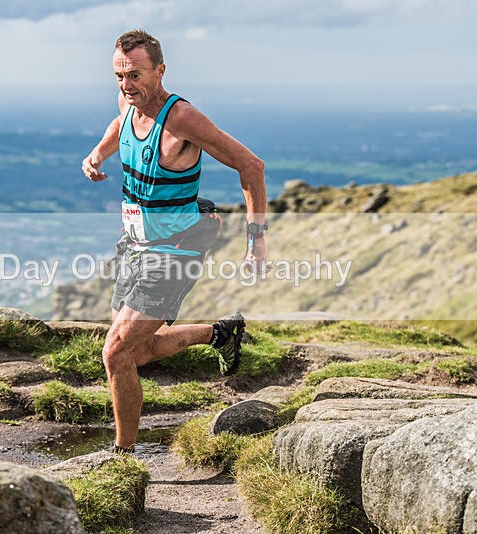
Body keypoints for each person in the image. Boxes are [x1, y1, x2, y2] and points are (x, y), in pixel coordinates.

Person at [81, 29, 268, 454]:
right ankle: (221, 334)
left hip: (176, 247)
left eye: (135, 75)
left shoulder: (180, 118)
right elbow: (120, 125)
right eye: (119, 76)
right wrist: (97, 154)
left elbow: (251, 166)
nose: (127, 86)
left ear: (160, 70)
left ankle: (123, 455)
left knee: (115, 353)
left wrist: (256, 239)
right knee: (139, 351)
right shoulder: (126, 104)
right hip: (135, 244)